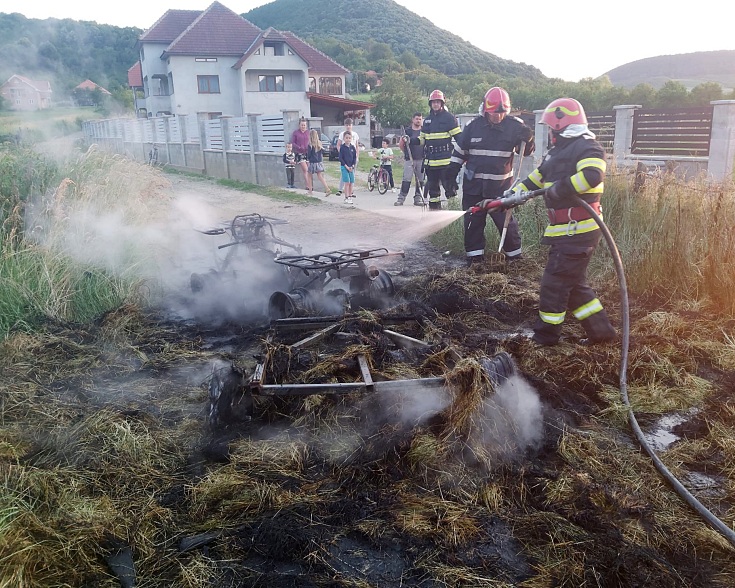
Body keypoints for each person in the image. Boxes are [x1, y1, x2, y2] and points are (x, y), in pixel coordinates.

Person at [512, 97, 616, 347]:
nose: (548, 131)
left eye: (550, 126)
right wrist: (512, 195)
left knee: (554, 285)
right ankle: (601, 333)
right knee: (574, 285)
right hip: (566, 232)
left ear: (561, 123)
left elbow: (593, 175)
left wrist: (562, 188)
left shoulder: (587, 147)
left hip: (579, 230)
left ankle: (545, 338)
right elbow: (538, 177)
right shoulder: (557, 152)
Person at [448, 87, 534, 264]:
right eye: (494, 113)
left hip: (501, 190)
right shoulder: (472, 127)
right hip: (474, 189)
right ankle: (475, 261)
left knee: (507, 225)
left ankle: (515, 260)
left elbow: (525, 152)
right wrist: (450, 175)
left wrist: (529, 139)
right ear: (485, 110)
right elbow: (459, 153)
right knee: (473, 225)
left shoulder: (515, 126)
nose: (498, 116)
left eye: (502, 113)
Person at [420, 89, 461, 210]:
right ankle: (434, 213)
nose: (435, 104)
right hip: (431, 163)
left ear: (442, 103)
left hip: (446, 163)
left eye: (438, 102)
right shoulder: (427, 121)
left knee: (450, 190)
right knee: (433, 192)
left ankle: (454, 215)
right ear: (430, 104)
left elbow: (459, 138)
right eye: (433, 102)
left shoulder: (449, 118)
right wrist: (409, 140)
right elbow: (421, 140)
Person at [395, 112, 425, 206]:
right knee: (406, 179)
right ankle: (401, 198)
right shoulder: (407, 131)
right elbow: (401, 144)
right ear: (413, 119)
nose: (418, 121)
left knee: (420, 180)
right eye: (417, 119)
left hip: (421, 159)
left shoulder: (424, 131)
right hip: (410, 159)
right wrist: (406, 154)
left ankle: (418, 198)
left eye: (420, 119)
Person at [335, 118, 360, 197]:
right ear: (345, 126)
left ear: (352, 125)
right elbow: (338, 144)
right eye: (347, 125)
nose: (348, 126)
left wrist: (357, 156)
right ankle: (340, 189)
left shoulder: (355, 134)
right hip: (345, 157)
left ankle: (351, 191)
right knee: (344, 173)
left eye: (350, 125)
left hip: (352, 156)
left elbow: (357, 146)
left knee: (352, 174)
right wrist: (341, 153)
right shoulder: (342, 134)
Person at [290, 117, 311, 192]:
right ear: (299, 125)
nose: (303, 127)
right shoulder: (296, 133)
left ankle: (310, 184)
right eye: (302, 125)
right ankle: (308, 185)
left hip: (308, 153)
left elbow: (311, 141)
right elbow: (293, 143)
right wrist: (298, 147)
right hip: (300, 153)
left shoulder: (308, 132)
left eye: (304, 125)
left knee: (309, 169)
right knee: (305, 169)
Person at [307, 129, 331, 195]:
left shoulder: (310, 145)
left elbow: (309, 155)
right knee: (320, 176)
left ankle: (310, 190)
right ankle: (327, 188)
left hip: (312, 162)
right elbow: (323, 152)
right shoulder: (319, 143)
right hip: (319, 162)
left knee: (309, 175)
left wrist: (307, 159)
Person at [339, 130, 357, 206]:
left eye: (349, 138)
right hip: (344, 167)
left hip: (351, 167)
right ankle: (346, 197)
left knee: (351, 182)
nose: (348, 139)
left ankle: (350, 196)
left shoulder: (352, 147)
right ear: (344, 138)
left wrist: (352, 166)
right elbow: (340, 158)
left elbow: (354, 158)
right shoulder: (342, 148)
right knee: (347, 182)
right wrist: (346, 166)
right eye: (346, 138)